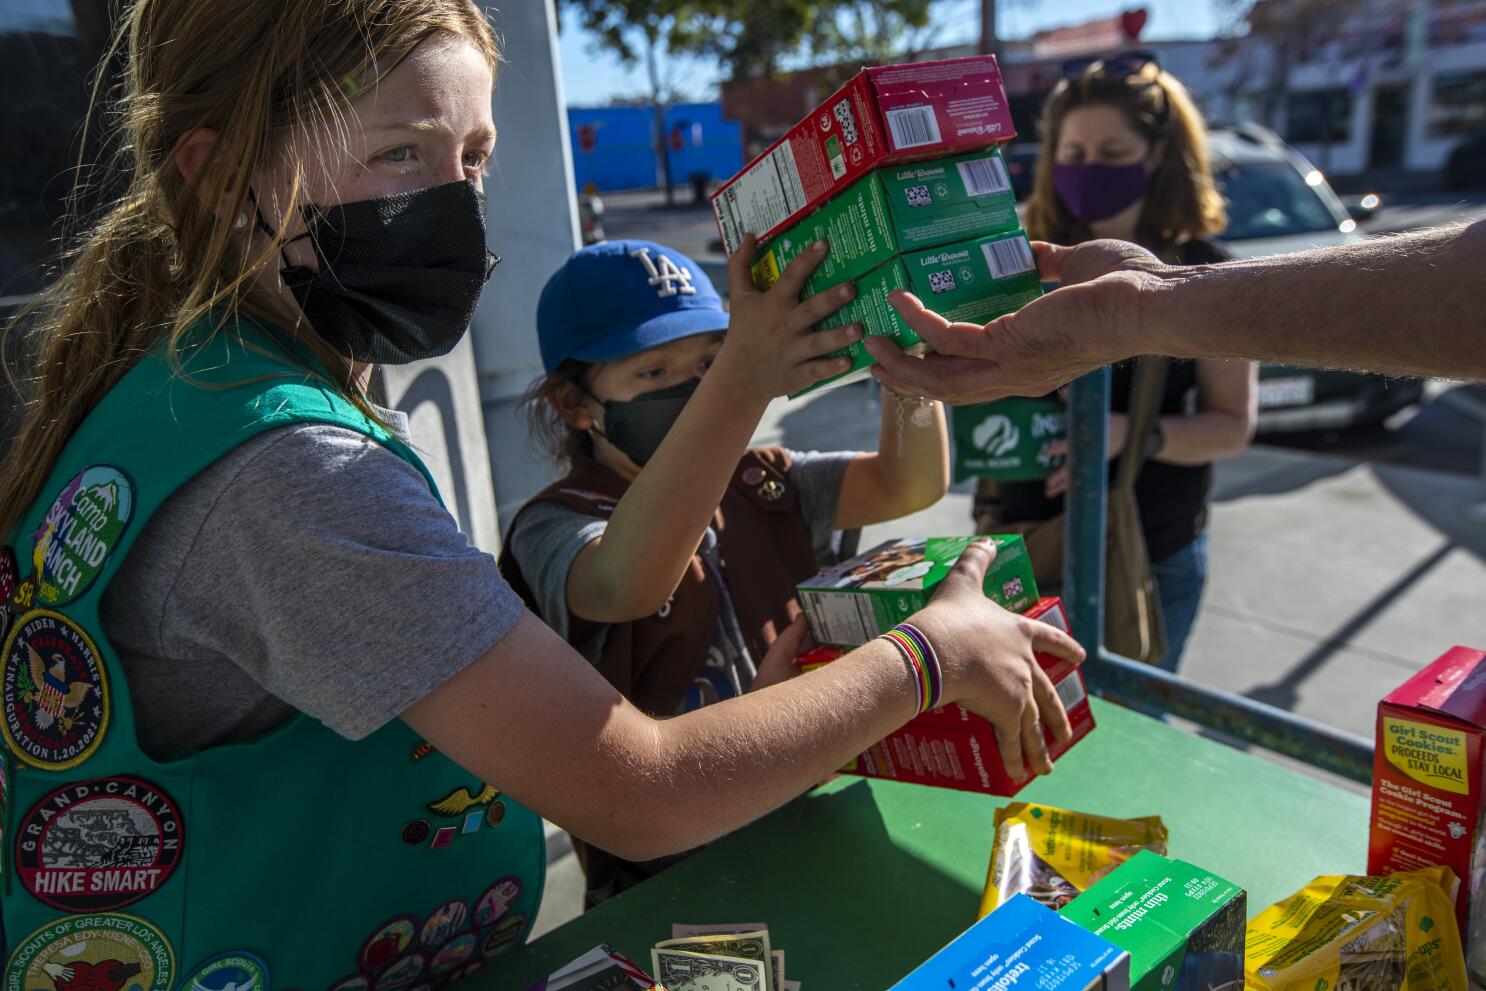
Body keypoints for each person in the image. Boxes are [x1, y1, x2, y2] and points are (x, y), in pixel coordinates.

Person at [0, 0, 1081, 972]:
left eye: (471, 157)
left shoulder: (190, 387)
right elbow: (636, 788)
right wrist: (930, 654)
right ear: (220, 170)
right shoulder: (288, 472)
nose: (454, 206)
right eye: (397, 154)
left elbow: (895, 481)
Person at [499, 238, 950, 904]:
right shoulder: (554, 525)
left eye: (710, 361)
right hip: (668, 883)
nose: (692, 387)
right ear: (575, 404)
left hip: (806, 819)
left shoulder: (762, 479)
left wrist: (902, 360)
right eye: (652, 374)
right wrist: (737, 383)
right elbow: (626, 582)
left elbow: (906, 484)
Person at [971, 56, 1256, 672]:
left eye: (1111, 151)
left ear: (1156, 156)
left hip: (1151, 557)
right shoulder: (1017, 259)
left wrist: (1131, 435)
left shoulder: (1208, 272)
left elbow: (1230, 425)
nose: (1088, 169)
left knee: (1135, 736)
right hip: (1018, 542)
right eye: (1072, 153)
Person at [865, 220, 1486, 401]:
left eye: (1112, 151)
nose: (1090, 171)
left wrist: (1139, 307)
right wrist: (1140, 304)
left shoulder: (1204, 256)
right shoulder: (1047, 262)